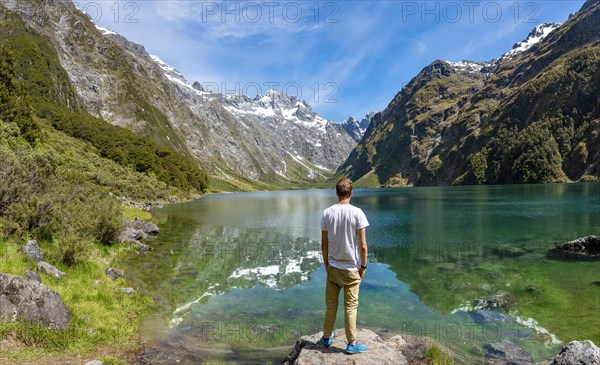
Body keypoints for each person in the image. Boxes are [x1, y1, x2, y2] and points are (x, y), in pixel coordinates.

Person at [319, 177, 369, 354]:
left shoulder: (327, 213)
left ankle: (326, 337)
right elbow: (362, 246)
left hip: (332, 267)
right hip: (350, 269)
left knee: (331, 305)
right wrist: (363, 267)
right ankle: (352, 343)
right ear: (351, 193)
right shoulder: (357, 213)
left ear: (336, 193)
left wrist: (327, 264)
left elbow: (324, 244)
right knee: (351, 306)